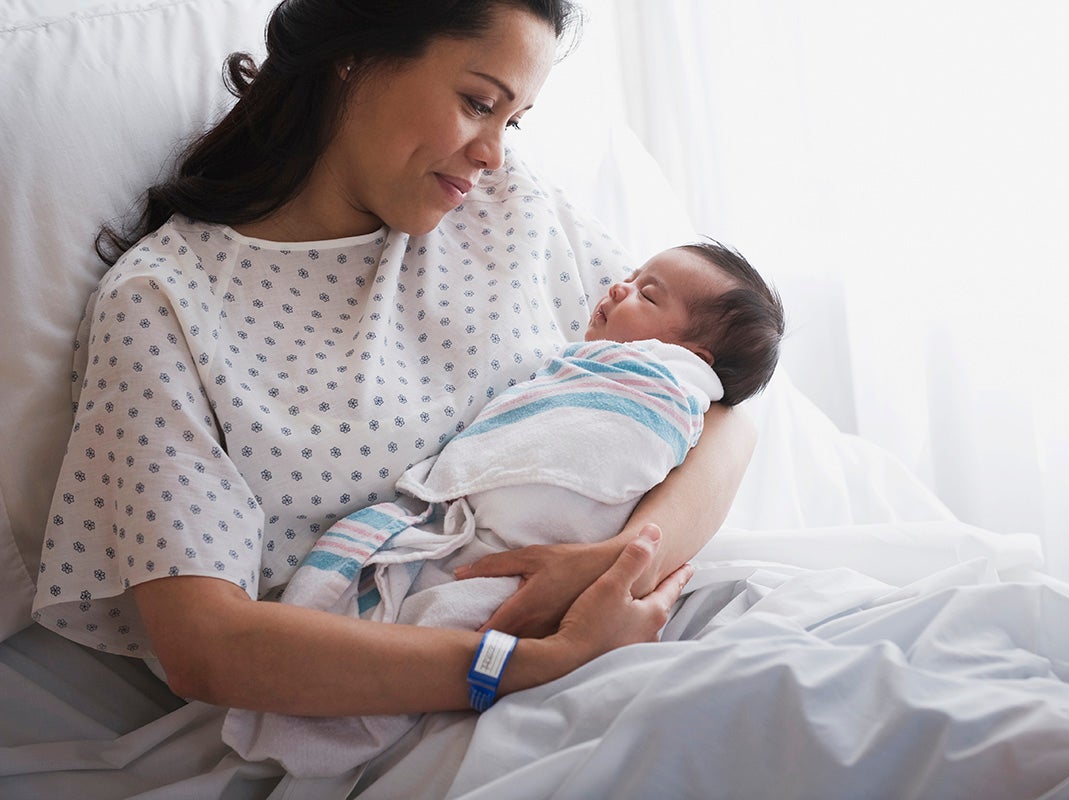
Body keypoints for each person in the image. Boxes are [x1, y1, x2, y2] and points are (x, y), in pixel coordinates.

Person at [31, 0, 756, 724]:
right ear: (356, 56)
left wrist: (624, 561)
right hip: (415, 709)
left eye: (513, 120)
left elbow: (718, 407)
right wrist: (535, 663)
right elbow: (207, 642)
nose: (493, 153)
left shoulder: (509, 205)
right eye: (478, 103)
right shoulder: (165, 305)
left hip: (642, 620)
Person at [222, 240, 785, 776]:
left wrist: (614, 557)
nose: (618, 287)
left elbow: (722, 426)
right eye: (633, 278)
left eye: (647, 293)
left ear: (687, 356)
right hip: (487, 577)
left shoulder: (657, 381)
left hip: (547, 556)